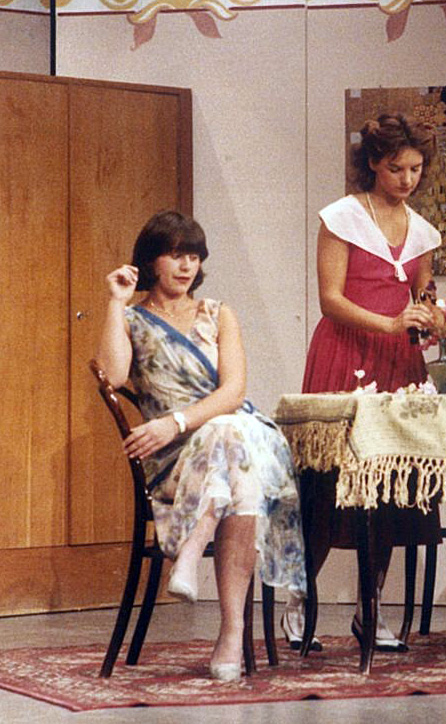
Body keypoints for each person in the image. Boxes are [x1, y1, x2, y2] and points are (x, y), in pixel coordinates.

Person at [97, 211, 307, 681]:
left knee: (229, 431)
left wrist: (175, 421)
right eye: (175, 255)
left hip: (224, 437)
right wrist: (114, 303)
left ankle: (193, 555)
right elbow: (111, 375)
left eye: (193, 256)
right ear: (151, 260)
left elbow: (233, 392)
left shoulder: (218, 314)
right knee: (237, 460)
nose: (186, 266)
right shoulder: (133, 319)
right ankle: (232, 633)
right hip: (174, 461)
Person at [296, 112, 441, 652]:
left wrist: (432, 317)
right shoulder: (342, 218)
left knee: (391, 489)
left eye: (416, 169)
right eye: (397, 168)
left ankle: (370, 607)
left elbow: (422, 295)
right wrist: (389, 324)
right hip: (345, 354)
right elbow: (330, 299)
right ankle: (301, 598)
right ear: (375, 164)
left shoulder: (423, 231)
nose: (407, 179)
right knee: (328, 484)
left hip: (398, 364)